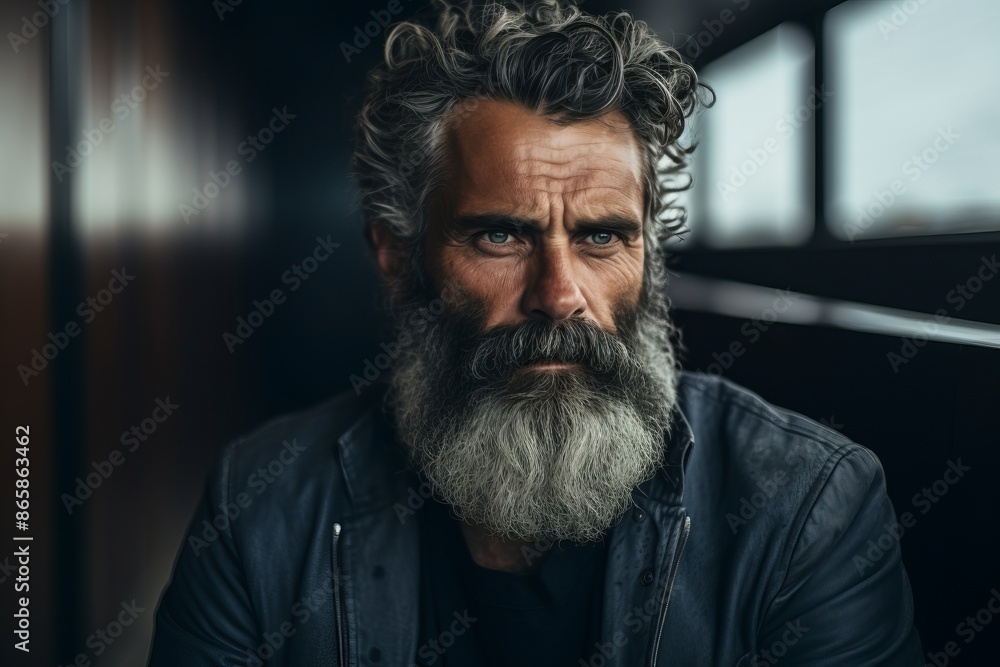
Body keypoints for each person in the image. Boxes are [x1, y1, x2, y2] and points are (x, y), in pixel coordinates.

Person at [149, 1, 922, 665]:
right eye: (500, 236)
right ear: (396, 254)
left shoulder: (808, 508)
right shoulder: (261, 511)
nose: (558, 296)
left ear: (648, 257)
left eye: (601, 237)